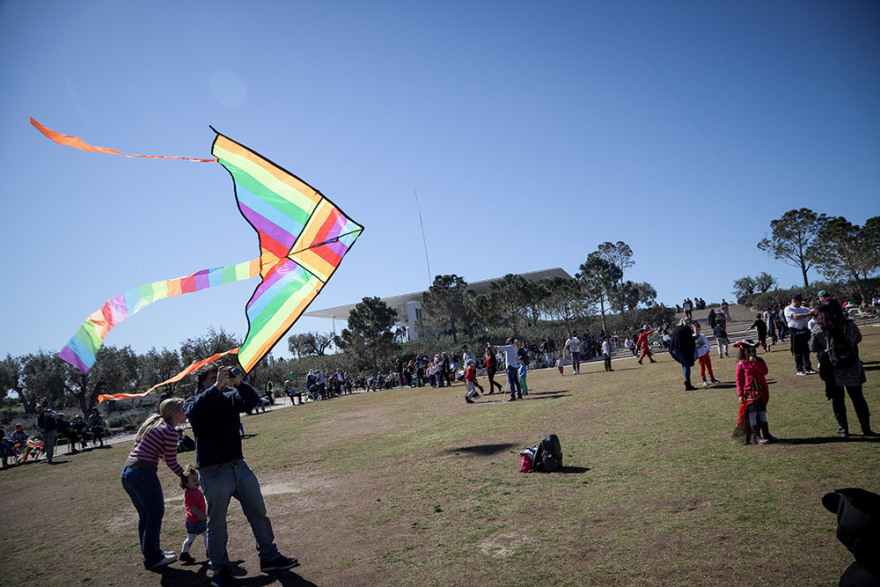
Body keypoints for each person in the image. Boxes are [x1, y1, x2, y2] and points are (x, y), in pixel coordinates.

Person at [184, 364, 298, 587]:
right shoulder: (192, 402)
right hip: (213, 471)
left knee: (258, 512)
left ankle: (269, 557)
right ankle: (220, 569)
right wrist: (217, 386)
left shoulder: (229, 398)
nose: (218, 380)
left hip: (239, 466)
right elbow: (194, 412)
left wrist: (237, 382)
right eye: (211, 378)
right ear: (202, 383)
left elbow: (253, 401)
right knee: (217, 524)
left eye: (220, 376)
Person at [120, 397, 187, 570]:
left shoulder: (156, 426)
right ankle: (153, 558)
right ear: (175, 412)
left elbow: (163, 457)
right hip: (143, 474)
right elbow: (171, 462)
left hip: (128, 473)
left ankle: (153, 553)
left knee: (146, 517)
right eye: (183, 408)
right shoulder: (170, 431)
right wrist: (185, 476)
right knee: (155, 515)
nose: (186, 412)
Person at [809, 300, 877, 437]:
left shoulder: (819, 328)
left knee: (838, 399)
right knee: (858, 398)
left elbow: (812, 347)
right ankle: (866, 427)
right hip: (851, 366)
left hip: (833, 369)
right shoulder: (849, 325)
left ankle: (843, 428)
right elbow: (858, 338)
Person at [734, 340, 777, 444]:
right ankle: (756, 436)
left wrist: (755, 362)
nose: (752, 353)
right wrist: (740, 394)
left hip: (761, 391)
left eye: (753, 350)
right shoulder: (741, 364)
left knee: (762, 412)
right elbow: (739, 380)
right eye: (749, 351)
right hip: (750, 393)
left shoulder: (760, 360)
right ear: (744, 352)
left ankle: (766, 434)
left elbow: (764, 372)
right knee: (752, 414)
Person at [178, 465, 208, 564]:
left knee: (190, 538)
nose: (197, 482)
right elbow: (192, 506)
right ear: (186, 483)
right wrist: (200, 514)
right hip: (197, 520)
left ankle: (184, 553)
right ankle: (210, 551)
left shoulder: (191, 491)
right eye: (194, 480)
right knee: (207, 535)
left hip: (190, 521)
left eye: (197, 479)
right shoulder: (192, 493)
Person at [784, 294, 816, 376]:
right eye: (799, 301)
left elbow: (812, 312)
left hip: (804, 331)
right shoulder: (788, 308)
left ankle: (808, 367)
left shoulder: (803, 309)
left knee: (806, 350)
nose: (801, 303)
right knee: (797, 351)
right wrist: (808, 314)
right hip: (795, 331)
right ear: (794, 300)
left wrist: (813, 311)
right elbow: (795, 317)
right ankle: (799, 369)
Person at [669, 318, 697, 391]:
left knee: (684, 365)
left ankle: (687, 382)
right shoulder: (686, 329)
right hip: (680, 350)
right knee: (686, 365)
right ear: (688, 323)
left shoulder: (676, 328)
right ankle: (688, 383)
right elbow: (689, 341)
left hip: (673, 350)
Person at [693, 321, 719, 386]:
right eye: (696, 330)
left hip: (705, 353)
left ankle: (712, 378)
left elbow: (707, 343)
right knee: (702, 367)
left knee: (709, 366)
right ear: (694, 329)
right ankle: (704, 380)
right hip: (700, 355)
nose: (697, 331)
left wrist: (708, 349)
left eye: (699, 329)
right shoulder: (692, 337)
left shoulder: (702, 335)